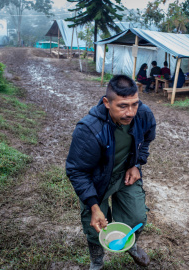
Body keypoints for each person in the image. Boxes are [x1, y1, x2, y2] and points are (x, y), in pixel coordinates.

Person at [66, 74, 156, 270]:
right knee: (96, 227)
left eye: (134, 104)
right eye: (122, 106)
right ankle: (96, 262)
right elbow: (77, 171)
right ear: (107, 102)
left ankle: (130, 246)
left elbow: (146, 139)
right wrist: (93, 206)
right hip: (96, 181)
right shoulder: (89, 129)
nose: (130, 112)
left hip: (125, 174)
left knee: (137, 218)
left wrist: (136, 164)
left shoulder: (144, 115)